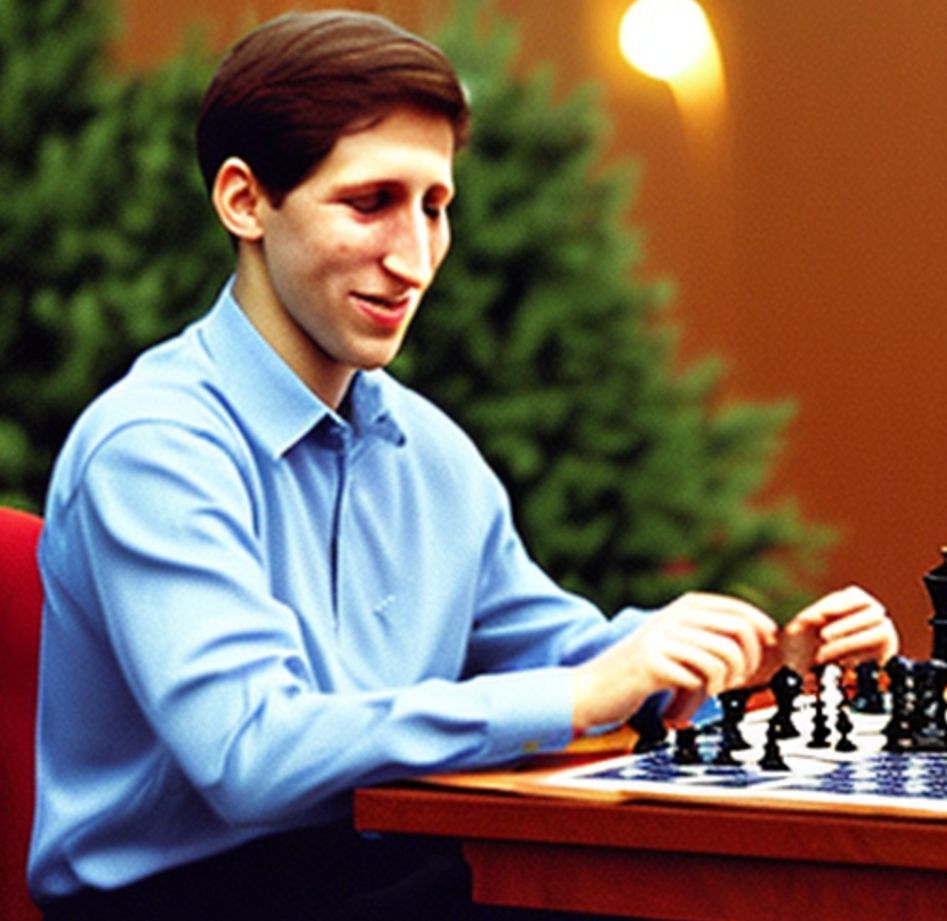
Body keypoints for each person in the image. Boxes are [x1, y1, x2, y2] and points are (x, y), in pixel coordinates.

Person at [28, 10, 898, 920]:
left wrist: (760, 666)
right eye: (370, 202)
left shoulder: (429, 449)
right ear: (245, 201)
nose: (413, 258)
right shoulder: (153, 446)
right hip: (184, 900)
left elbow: (568, 654)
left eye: (434, 207)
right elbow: (251, 754)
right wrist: (575, 694)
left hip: (383, 868)